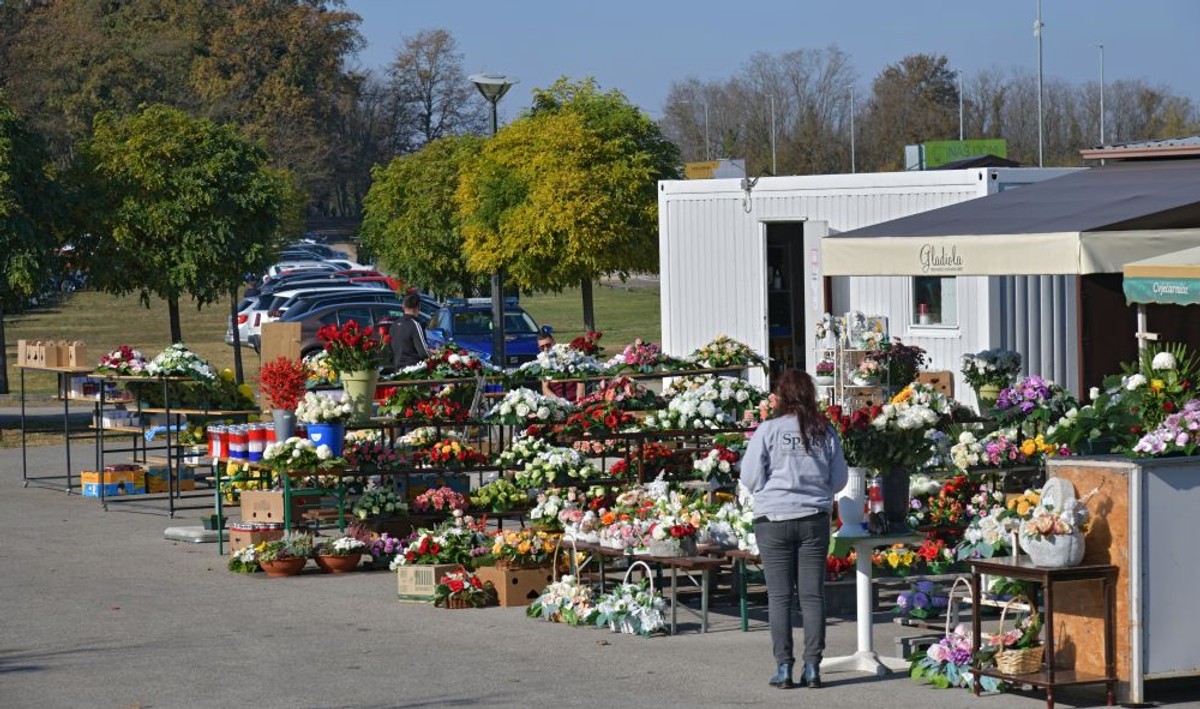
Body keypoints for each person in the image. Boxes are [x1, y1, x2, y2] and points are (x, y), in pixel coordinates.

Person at [738, 369, 848, 690]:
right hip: (813, 518)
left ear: (782, 396)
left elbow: (750, 476)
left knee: (780, 597)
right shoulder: (824, 431)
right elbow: (839, 480)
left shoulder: (768, 429)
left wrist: (770, 488)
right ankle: (812, 666)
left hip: (773, 519)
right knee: (812, 596)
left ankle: (784, 667)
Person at [388, 293, 429, 369]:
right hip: (413, 368)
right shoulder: (415, 325)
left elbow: (391, 350)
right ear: (418, 307)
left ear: (403, 307)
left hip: (397, 368)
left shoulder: (394, 325)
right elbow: (423, 352)